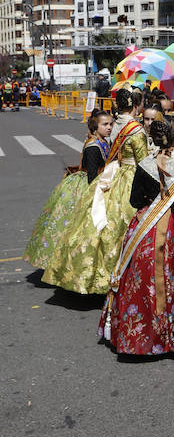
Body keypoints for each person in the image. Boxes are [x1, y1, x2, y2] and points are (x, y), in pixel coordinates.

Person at [98, 118, 174, 355]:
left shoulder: (146, 164)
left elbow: (134, 201)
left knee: (143, 277)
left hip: (149, 228)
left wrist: (154, 203)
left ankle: (143, 337)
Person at [43, 88, 148, 294]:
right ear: (137, 105)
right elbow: (144, 162)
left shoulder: (116, 124)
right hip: (130, 176)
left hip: (113, 175)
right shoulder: (136, 128)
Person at [24, 110, 113, 269]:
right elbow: (92, 176)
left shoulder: (104, 142)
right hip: (86, 186)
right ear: (95, 126)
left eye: (111, 124)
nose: (109, 127)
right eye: (105, 124)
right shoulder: (93, 147)